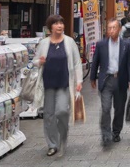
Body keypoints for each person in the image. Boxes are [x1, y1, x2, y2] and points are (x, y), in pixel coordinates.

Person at [33, 15, 83, 157]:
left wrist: (79, 81)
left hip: (64, 83)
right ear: (50, 27)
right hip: (48, 83)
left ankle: (63, 136)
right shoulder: (44, 43)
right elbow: (35, 61)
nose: (60, 26)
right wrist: (40, 61)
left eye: (61, 23)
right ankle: (52, 144)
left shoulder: (69, 42)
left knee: (61, 111)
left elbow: (77, 63)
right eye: (56, 24)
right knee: (48, 115)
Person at [90, 19, 130, 146]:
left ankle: (116, 132)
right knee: (105, 108)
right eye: (109, 28)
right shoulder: (101, 44)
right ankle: (106, 134)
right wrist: (92, 77)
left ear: (119, 29)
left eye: (114, 27)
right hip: (106, 80)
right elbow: (95, 62)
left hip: (121, 80)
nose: (111, 30)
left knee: (119, 108)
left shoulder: (126, 44)